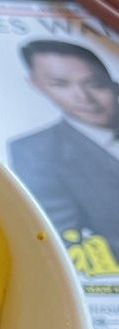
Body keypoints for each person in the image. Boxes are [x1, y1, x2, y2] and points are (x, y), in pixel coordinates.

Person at [8, 40, 119, 255]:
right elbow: (65, 243)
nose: (84, 98)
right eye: (60, 84)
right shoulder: (35, 152)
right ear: (36, 85)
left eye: (95, 84)